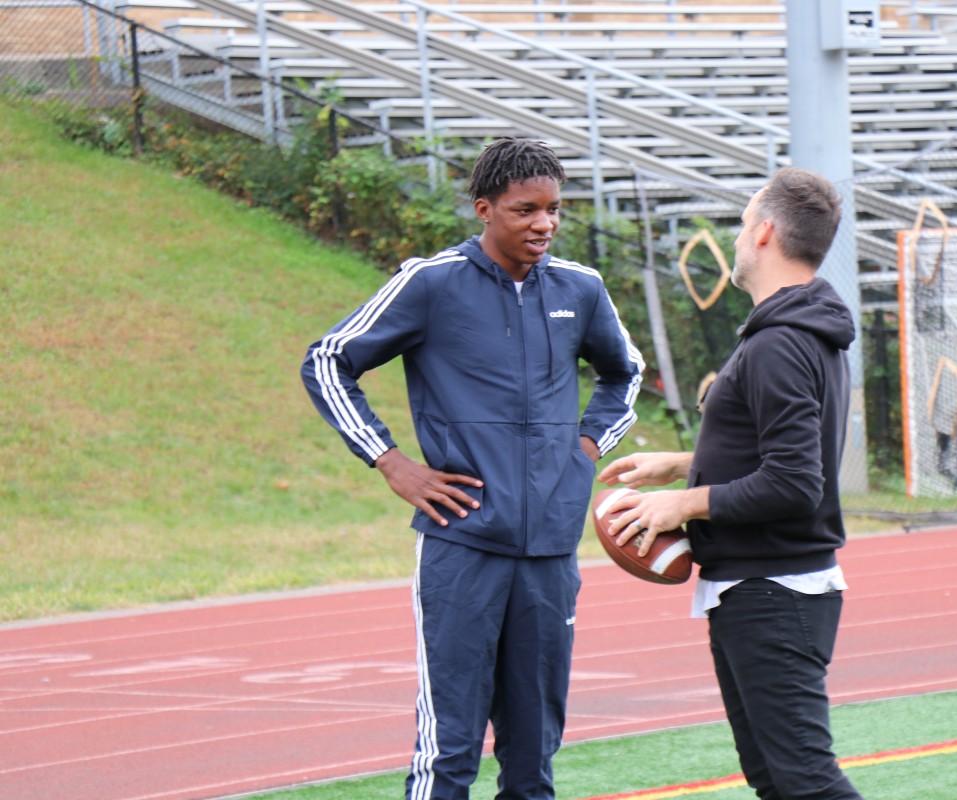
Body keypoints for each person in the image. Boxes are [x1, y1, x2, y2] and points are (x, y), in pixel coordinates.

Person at [301, 138, 644, 800]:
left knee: (534, 757)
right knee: (449, 749)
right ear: (485, 210)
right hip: (463, 549)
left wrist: (588, 448)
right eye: (525, 210)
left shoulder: (582, 289)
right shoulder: (431, 284)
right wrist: (389, 459)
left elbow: (623, 374)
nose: (543, 223)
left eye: (554, 210)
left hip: (550, 552)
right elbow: (327, 359)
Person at [597, 167, 862, 800]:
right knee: (777, 780)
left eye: (744, 225)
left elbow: (795, 482)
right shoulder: (799, 331)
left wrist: (683, 502)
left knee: (804, 782)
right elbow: (777, 450)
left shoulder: (778, 343)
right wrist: (686, 463)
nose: (739, 238)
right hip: (767, 586)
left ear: (766, 232)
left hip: (772, 589)